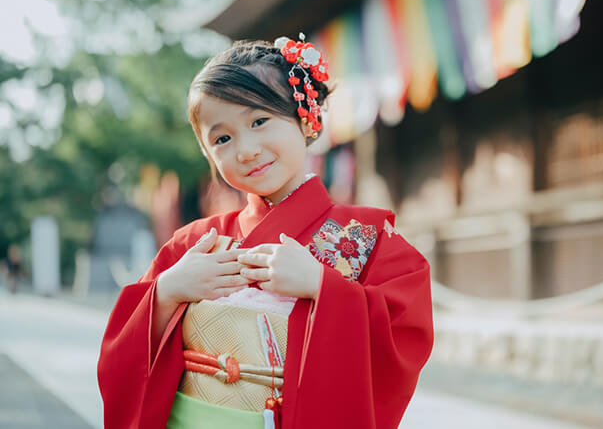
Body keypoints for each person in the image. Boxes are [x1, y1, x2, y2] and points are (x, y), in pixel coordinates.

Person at [97, 36, 434, 429]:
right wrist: (168, 291)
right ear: (209, 154)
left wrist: (322, 286)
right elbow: (123, 357)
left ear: (305, 117)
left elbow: (404, 338)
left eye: (259, 121)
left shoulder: (368, 238)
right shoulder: (192, 244)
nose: (245, 150)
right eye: (222, 138)